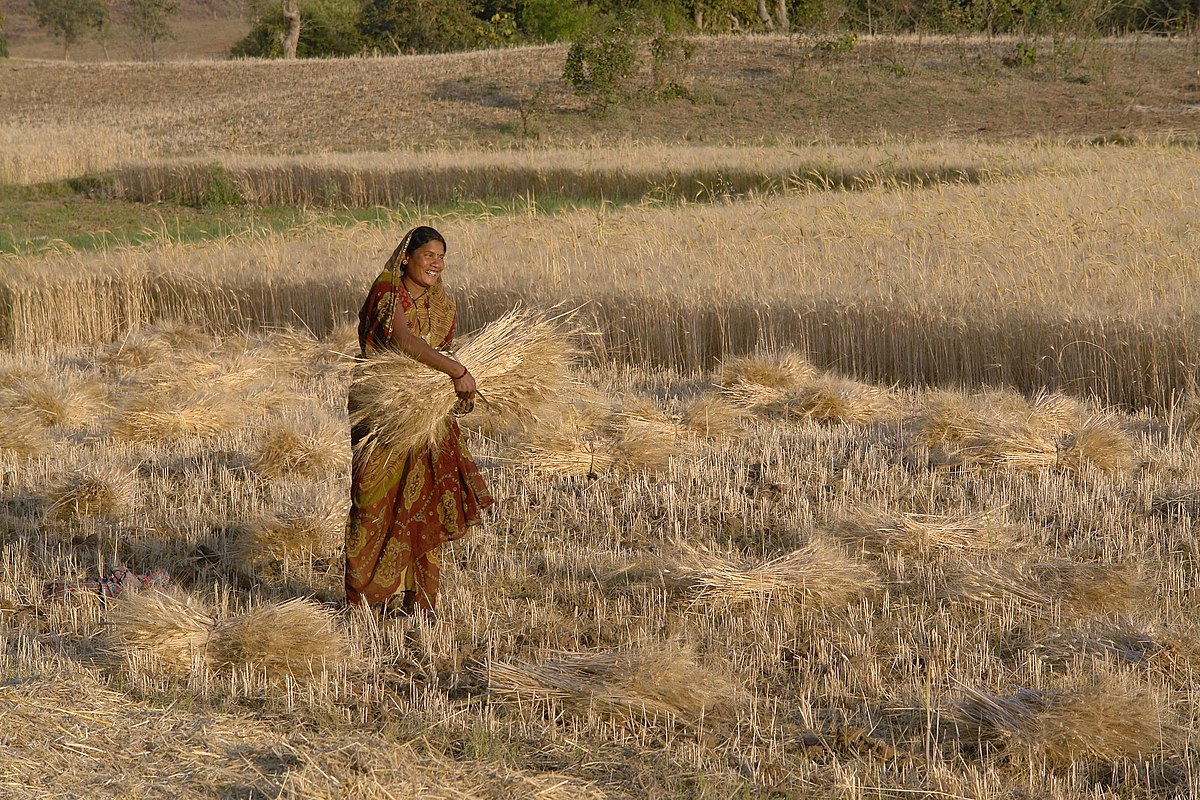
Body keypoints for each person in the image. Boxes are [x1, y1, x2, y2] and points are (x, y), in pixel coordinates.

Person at [345, 226, 494, 619]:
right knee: (373, 500)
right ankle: (364, 602)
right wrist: (456, 369)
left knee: (424, 502)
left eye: (441, 256)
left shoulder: (442, 303)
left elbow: (440, 351)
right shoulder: (387, 291)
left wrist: (455, 390)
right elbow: (401, 338)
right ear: (406, 256)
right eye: (428, 254)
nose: (436, 263)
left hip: (427, 416)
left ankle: (419, 604)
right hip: (384, 411)